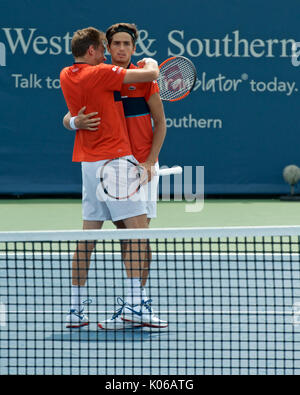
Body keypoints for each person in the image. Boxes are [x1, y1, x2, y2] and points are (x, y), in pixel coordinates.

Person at [60, 27, 167, 330]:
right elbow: (152, 74)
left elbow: (160, 122)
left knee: (91, 238)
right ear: (98, 48)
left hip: (95, 166)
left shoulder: (67, 73)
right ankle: (135, 305)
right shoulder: (104, 73)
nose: (115, 51)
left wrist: (148, 162)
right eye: (111, 46)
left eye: (125, 45)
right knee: (137, 235)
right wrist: (150, 63)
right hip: (117, 164)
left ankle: (75, 310)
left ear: (132, 47)